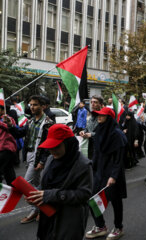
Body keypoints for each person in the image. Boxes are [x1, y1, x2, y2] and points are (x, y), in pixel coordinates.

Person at [25, 124, 93, 240]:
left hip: (69, 221)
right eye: (50, 147)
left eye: (56, 147)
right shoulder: (51, 159)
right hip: (47, 217)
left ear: (68, 143)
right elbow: (44, 185)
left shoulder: (83, 165)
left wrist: (50, 195)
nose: (52, 151)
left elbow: (84, 194)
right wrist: (35, 196)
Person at [4, 95, 54, 223]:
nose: (32, 107)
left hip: (38, 157)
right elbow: (20, 133)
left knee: (25, 185)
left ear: (42, 106)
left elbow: (49, 143)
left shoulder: (48, 123)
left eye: (35, 104)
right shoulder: (31, 120)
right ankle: (39, 209)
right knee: (36, 185)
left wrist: (42, 160)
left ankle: (41, 207)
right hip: (29, 155)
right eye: (31, 104)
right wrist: (10, 125)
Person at [86, 107, 128, 240]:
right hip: (100, 171)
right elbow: (97, 152)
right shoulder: (99, 131)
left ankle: (118, 227)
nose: (98, 117)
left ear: (108, 118)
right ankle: (100, 226)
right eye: (97, 115)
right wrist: (92, 167)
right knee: (92, 198)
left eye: (102, 115)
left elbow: (119, 158)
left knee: (115, 201)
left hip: (113, 173)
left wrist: (113, 176)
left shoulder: (117, 134)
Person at [80, 95, 103, 159]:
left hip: (100, 147)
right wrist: (83, 131)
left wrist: (91, 134)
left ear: (100, 104)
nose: (92, 104)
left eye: (95, 102)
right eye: (91, 102)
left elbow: (106, 133)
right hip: (90, 146)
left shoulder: (104, 116)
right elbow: (88, 128)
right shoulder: (91, 115)